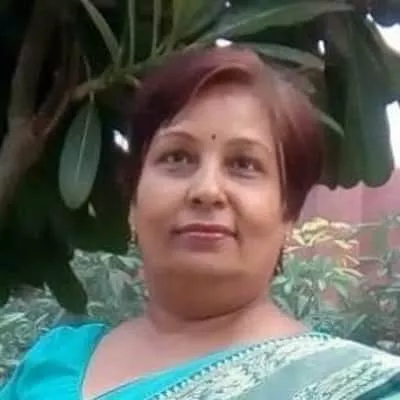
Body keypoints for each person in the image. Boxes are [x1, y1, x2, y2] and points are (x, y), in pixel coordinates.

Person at [2, 45, 400, 400]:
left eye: (244, 164)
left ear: (288, 212)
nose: (207, 190)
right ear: (133, 199)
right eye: (176, 157)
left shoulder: (355, 387)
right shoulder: (54, 361)